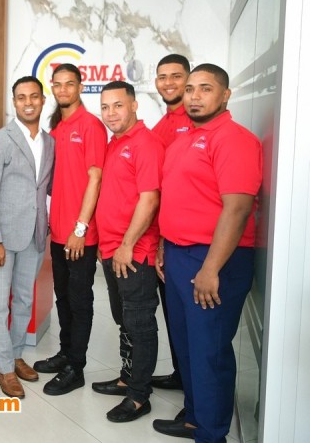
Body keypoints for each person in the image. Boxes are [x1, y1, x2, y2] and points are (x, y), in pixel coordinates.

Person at [152, 64, 262, 442]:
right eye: (190, 89)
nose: (194, 96)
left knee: (208, 351)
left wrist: (211, 268)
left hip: (214, 259)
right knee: (185, 346)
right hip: (179, 255)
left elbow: (237, 209)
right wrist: (164, 244)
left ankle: (212, 434)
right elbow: (176, 198)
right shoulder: (184, 140)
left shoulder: (234, 139)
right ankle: (195, 419)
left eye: (205, 88)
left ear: (225, 95)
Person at [92, 81, 165, 422]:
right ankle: (127, 377)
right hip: (112, 250)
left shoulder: (145, 144)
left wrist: (126, 245)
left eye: (118, 105)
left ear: (134, 105)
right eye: (105, 107)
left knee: (139, 323)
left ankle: (139, 396)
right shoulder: (114, 143)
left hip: (134, 253)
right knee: (124, 319)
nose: (110, 113)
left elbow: (149, 200)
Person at [34, 63, 105, 396]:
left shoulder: (90, 125)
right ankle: (66, 353)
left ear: (80, 86)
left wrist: (81, 228)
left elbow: (95, 178)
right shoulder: (57, 128)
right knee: (63, 297)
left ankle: (76, 367)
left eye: (69, 84)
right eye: (58, 84)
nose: (63, 89)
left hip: (80, 235)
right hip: (58, 232)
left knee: (79, 300)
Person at [0, 76, 54, 399]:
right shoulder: (0, 140)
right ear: (14, 103)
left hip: (35, 234)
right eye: (21, 97)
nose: (28, 102)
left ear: (42, 100)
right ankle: (5, 368)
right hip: (3, 237)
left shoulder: (50, 142)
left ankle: (15, 354)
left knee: (24, 300)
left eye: (34, 96)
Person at [149, 53, 193, 391]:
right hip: (165, 237)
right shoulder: (160, 127)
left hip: (191, 241)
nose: (168, 83)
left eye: (176, 76)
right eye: (163, 77)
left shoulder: (196, 123)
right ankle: (181, 375)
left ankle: (194, 391)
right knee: (173, 315)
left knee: (192, 321)